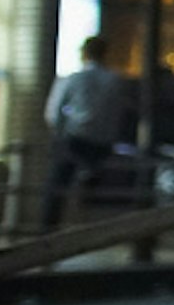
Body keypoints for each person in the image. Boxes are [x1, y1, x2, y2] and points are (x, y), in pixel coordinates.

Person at [39, 33, 134, 230]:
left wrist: (59, 132)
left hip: (74, 138)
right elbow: (118, 112)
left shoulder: (73, 79)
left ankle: (47, 231)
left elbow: (54, 112)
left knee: (57, 185)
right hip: (102, 141)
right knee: (98, 189)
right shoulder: (114, 80)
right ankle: (93, 227)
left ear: (84, 54)